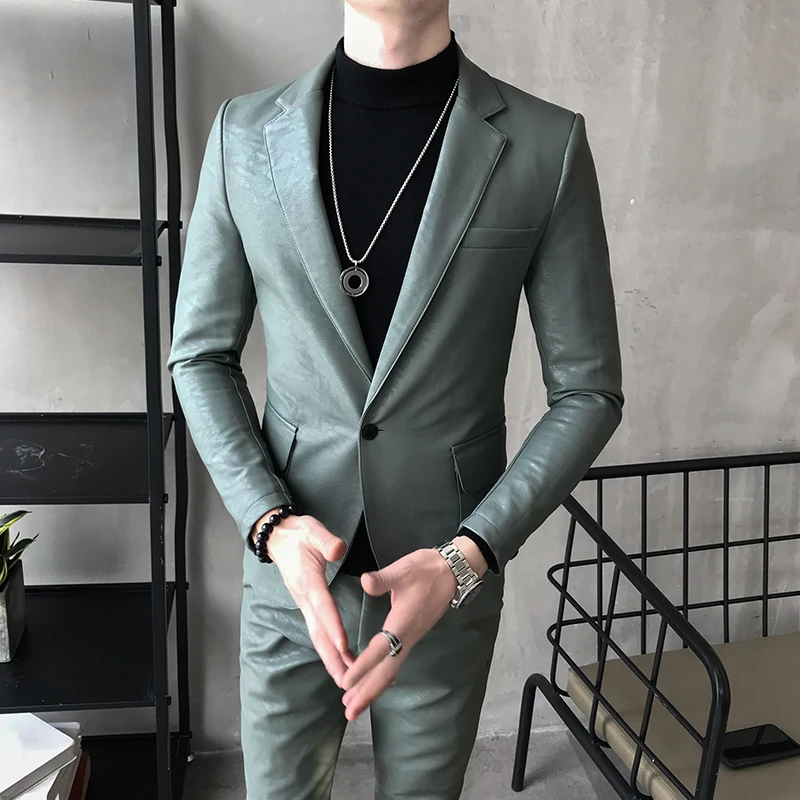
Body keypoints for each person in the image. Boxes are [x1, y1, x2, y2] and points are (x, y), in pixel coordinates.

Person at [167, 0, 624, 797]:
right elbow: (199, 354)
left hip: (447, 578)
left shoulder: (546, 145)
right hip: (291, 573)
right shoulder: (244, 134)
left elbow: (588, 389)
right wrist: (270, 525)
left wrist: (468, 557)